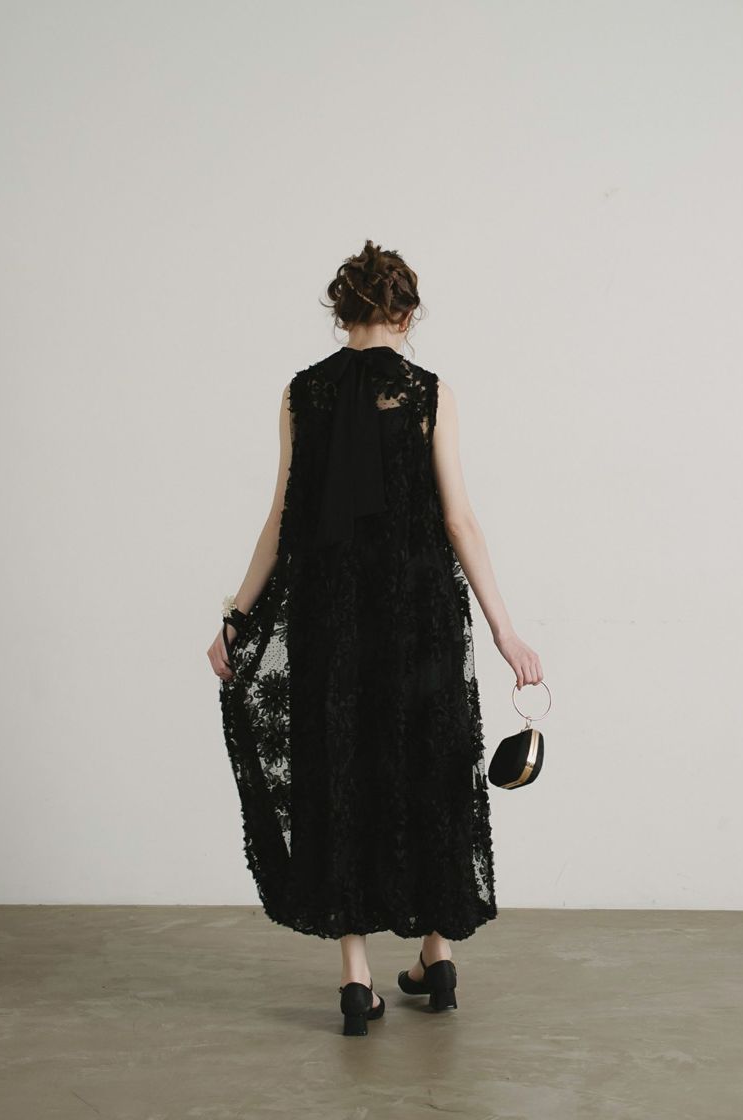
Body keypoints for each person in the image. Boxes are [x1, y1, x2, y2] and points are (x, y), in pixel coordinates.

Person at [207, 239, 543, 1036]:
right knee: (431, 764)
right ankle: (437, 955)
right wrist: (506, 629)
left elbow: (281, 520)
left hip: (331, 614)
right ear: (407, 314)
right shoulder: (429, 395)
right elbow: (459, 520)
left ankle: (356, 979)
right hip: (419, 612)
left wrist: (237, 616)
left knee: (341, 771)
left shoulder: (302, 395)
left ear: (342, 313)